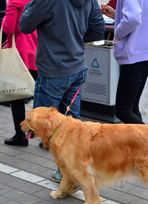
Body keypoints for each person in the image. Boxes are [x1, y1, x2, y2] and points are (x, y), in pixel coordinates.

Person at [20, 0, 105, 181]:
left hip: (52, 70)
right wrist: (75, 40)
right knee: (72, 127)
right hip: (77, 67)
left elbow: (25, 25)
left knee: (46, 127)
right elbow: (98, 28)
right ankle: (73, 172)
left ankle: (66, 173)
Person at [101, 0, 148, 124]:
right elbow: (141, 18)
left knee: (123, 111)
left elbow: (133, 18)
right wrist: (116, 15)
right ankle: (144, 142)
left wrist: (117, 34)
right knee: (131, 109)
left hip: (135, 56)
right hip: (146, 55)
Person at [2, 0, 37, 146]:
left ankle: (20, 136)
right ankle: (46, 136)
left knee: (17, 97)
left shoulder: (15, 2)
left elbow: (8, 28)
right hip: (37, 51)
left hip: (20, 54)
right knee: (40, 95)